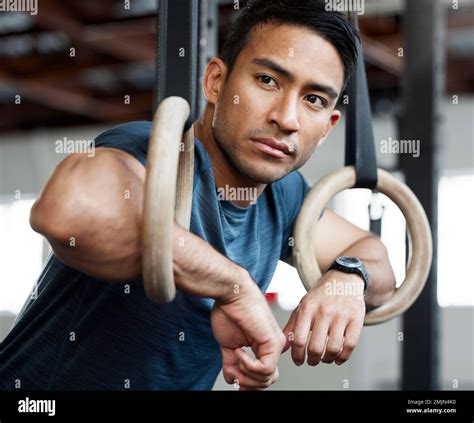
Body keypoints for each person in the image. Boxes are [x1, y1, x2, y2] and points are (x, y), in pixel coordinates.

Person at [0, 0, 395, 391]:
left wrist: (347, 279)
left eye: (313, 100)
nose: (287, 119)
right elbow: (65, 213)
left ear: (327, 127)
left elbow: (372, 254)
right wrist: (233, 286)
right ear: (216, 82)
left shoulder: (284, 196)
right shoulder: (154, 151)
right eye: (268, 80)